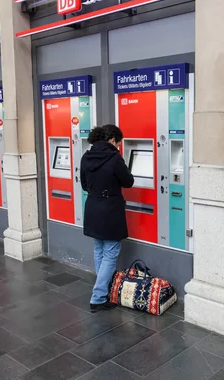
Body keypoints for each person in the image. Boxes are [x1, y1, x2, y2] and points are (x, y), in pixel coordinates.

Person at [80, 124, 134, 313]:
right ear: (112, 140)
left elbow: (84, 184)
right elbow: (128, 182)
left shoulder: (86, 156)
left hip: (93, 206)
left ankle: (103, 289)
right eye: (118, 143)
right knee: (111, 251)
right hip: (110, 209)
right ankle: (98, 297)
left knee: (99, 249)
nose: (118, 147)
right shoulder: (114, 158)